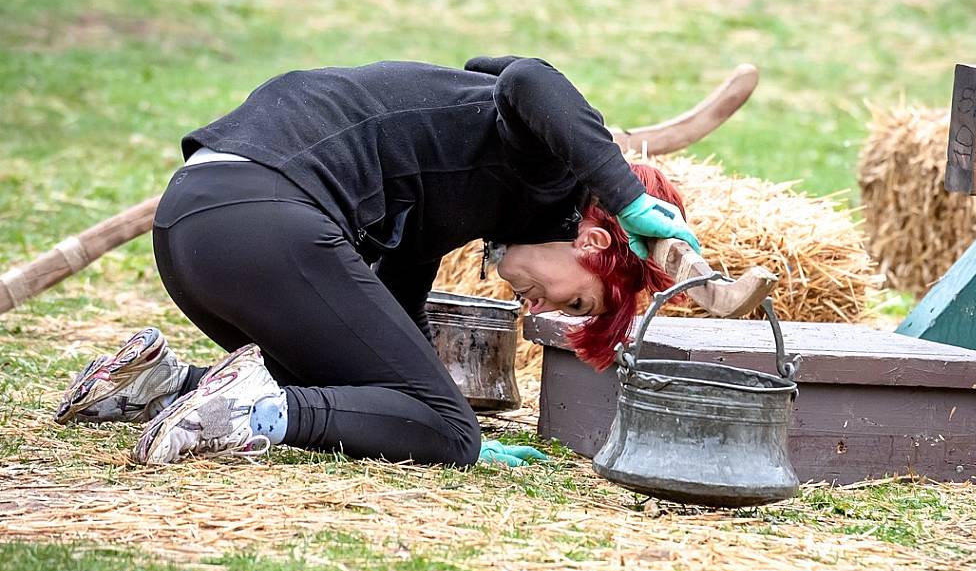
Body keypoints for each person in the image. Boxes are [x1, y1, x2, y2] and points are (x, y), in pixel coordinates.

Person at [54, 55, 699, 469]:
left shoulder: (468, 198)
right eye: (577, 300)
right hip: (264, 221)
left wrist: (415, 416)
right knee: (448, 432)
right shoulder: (549, 173)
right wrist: (627, 196)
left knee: (368, 395)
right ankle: (248, 416)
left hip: (192, 230)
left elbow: (390, 317)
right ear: (596, 243)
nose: (543, 310)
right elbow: (526, 77)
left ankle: (158, 384)